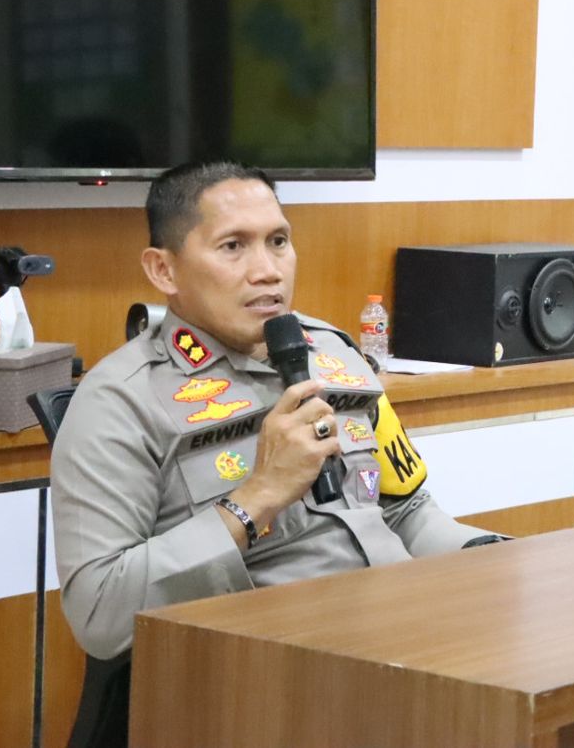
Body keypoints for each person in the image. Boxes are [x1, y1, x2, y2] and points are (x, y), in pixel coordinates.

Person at [51, 161, 492, 660]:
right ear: (163, 269)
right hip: (266, 671)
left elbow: (405, 509)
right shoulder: (120, 401)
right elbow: (99, 614)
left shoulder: (337, 355)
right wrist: (256, 496)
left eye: (278, 241)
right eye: (233, 246)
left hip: (401, 629)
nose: (267, 270)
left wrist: (492, 558)